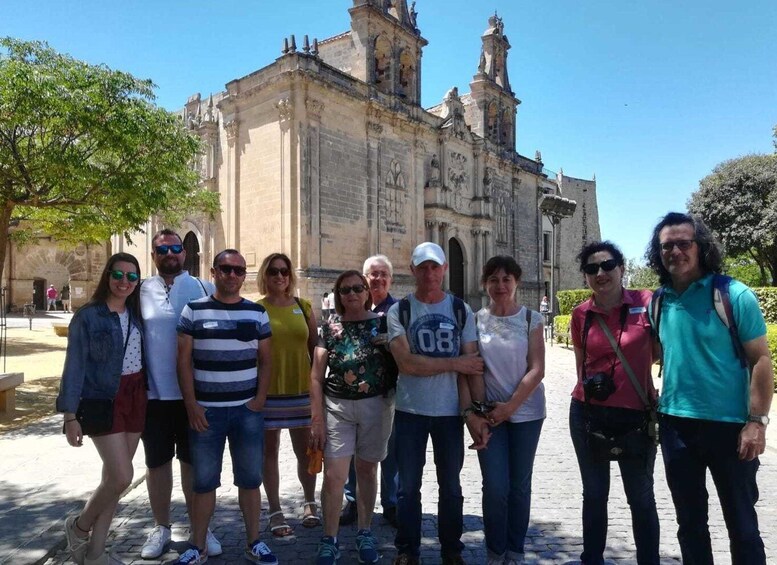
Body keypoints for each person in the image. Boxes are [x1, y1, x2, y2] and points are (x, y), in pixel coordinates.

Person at [646, 212, 774, 564]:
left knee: (742, 526)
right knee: (689, 525)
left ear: (700, 247)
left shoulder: (734, 295)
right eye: (667, 245)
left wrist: (756, 422)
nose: (675, 251)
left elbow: (760, 360)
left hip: (730, 427)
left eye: (684, 243)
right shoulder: (657, 302)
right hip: (676, 427)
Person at [174, 249, 277, 565]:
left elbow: (267, 359)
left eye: (238, 270)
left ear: (244, 275)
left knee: (250, 479)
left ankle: (254, 542)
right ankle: (198, 545)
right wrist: (191, 405)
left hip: (246, 412)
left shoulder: (256, 313)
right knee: (204, 482)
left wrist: (259, 401)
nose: (232, 275)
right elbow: (183, 361)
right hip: (207, 412)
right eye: (226, 269)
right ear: (213, 270)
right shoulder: (193, 311)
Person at [387, 242, 484, 565]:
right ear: (413, 271)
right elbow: (407, 364)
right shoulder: (399, 311)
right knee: (407, 487)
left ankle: (451, 549)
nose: (429, 273)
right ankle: (407, 550)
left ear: (444, 269)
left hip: (449, 413)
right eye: (423, 267)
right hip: (410, 411)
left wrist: (473, 412)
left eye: (435, 266)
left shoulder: (461, 310)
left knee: (451, 487)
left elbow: (472, 364)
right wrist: (455, 363)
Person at [569, 241, 659, 565]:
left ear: (622, 268)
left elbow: (663, 350)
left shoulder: (647, 303)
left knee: (641, 497)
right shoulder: (581, 314)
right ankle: (591, 560)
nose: (601, 273)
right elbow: (581, 367)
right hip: (589, 415)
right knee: (594, 496)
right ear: (586, 276)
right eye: (592, 269)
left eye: (608, 265)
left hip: (635, 416)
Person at [57, 252, 146, 565]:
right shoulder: (89, 316)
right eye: (118, 275)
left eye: (132, 277)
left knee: (112, 479)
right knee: (122, 476)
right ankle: (79, 527)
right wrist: (69, 415)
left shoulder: (136, 312)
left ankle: (94, 555)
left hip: (136, 395)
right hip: (102, 398)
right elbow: (74, 366)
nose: (124, 282)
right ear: (107, 276)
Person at [138, 229, 221, 559]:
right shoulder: (140, 290)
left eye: (175, 248)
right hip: (154, 396)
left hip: (195, 397)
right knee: (156, 464)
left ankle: (201, 528)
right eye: (163, 249)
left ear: (184, 254)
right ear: (153, 255)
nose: (170, 254)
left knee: (194, 464)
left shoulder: (204, 288)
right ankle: (161, 527)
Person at [310, 269, 395, 565]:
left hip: (375, 406)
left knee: (368, 470)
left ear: (367, 293)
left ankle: (364, 531)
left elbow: (400, 361)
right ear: (338, 295)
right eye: (345, 290)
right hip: (338, 407)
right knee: (334, 476)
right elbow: (316, 376)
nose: (352, 294)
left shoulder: (383, 324)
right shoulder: (330, 327)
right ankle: (329, 539)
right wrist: (316, 418)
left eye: (358, 288)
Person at [466, 256, 546, 565]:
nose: (500, 285)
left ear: (517, 283)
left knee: (519, 486)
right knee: (496, 487)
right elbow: (472, 369)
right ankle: (495, 552)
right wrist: (481, 413)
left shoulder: (531, 320)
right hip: (489, 415)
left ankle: (515, 552)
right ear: (484, 283)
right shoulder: (474, 321)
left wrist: (510, 407)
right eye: (494, 280)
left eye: (506, 279)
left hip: (527, 414)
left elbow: (537, 369)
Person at [257, 253, 320, 537]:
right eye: (273, 272)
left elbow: (315, 348)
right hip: (268, 392)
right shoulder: (256, 310)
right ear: (265, 276)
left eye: (284, 271)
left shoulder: (303, 306)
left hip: (300, 390)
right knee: (268, 452)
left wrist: (319, 389)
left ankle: (309, 502)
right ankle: (274, 510)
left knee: (305, 450)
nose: (279, 276)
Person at [340, 254, 399, 528]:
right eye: (373, 274)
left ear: (391, 279)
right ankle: (353, 501)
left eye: (383, 274)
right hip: (356, 396)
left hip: (388, 393)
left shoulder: (398, 311)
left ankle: (391, 502)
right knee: (355, 450)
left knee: (388, 450)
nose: (378, 279)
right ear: (364, 280)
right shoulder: (350, 311)